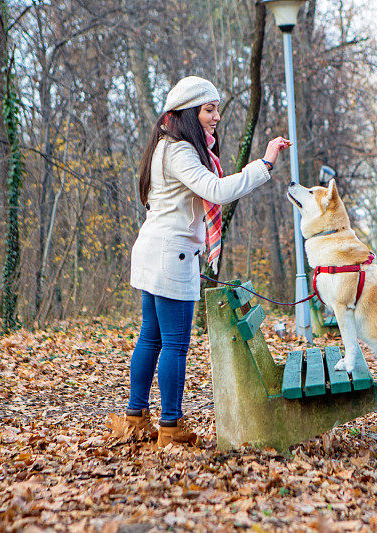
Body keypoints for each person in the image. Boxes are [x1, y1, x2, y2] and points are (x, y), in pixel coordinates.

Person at [126, 76, 291, 447]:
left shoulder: (163, 145)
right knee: (174, 344)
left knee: (150, 338)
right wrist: (264, 164)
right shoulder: (181, 151)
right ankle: (170, 427)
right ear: (188, 113)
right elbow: (215, 190)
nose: (216, 116)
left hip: (154, 250)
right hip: (172, 256)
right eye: (208, 109)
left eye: (216, 109)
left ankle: (135, 418)